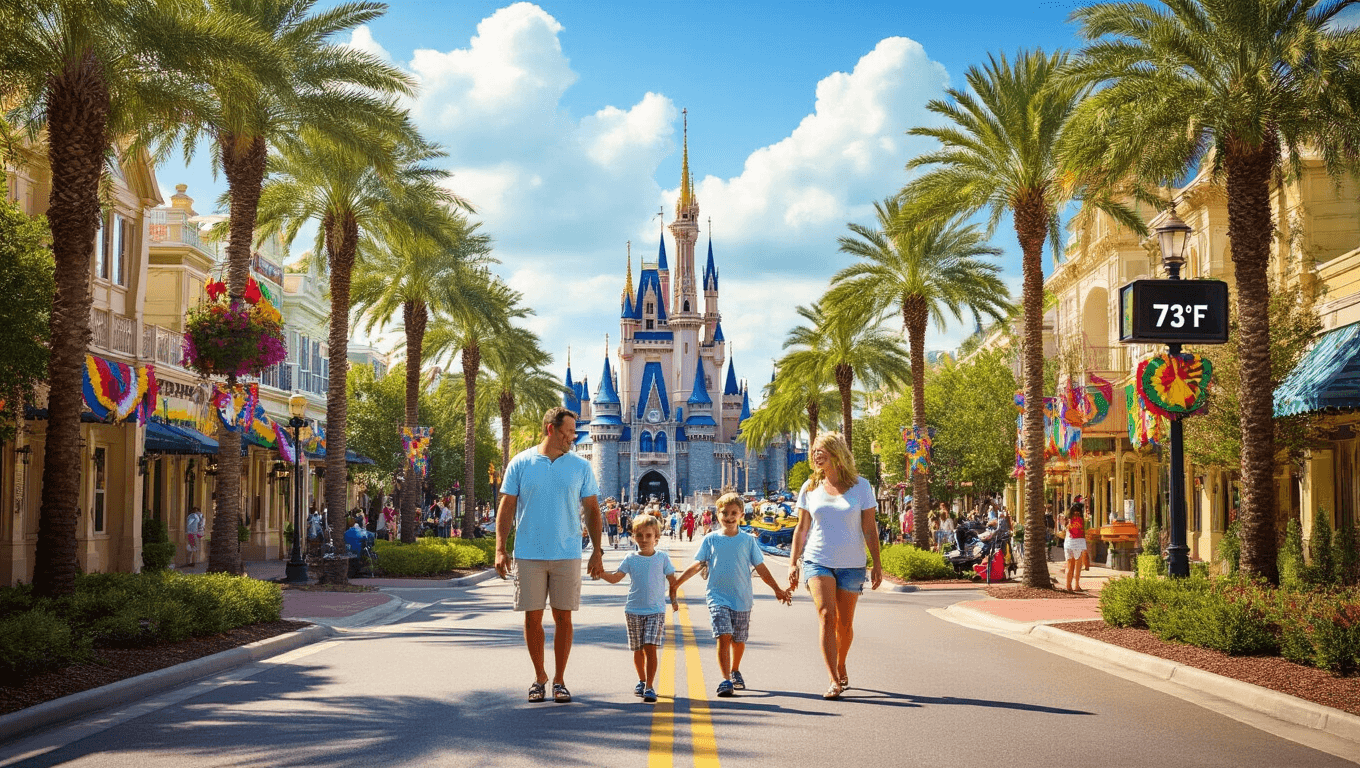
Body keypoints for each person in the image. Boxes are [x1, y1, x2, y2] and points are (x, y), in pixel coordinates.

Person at [495, 406, 604, 704]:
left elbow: (593, 510)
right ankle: (539, 676)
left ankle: (559, 680)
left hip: (567, 553)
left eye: (573, 432)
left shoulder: (580, 467)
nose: (573, 437)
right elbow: (506, 508)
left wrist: (597, 550)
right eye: (568, 431)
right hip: (529, 553)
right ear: (550, 429)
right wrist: (500, 548)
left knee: (563, 618)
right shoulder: (521, 463)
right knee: (532, 619)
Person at [788, 432, 883, 700]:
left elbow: (869, 528)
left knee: (845, 625)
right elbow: (801, 528)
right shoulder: (809, 487)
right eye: (815, 450)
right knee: (827, 616)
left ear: (837, 453)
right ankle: (833, 680)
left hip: (852, 564)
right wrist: (793, 562)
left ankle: (841, 663)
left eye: (823, 450)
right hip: (818, 559)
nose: (817, 454)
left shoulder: (862, 487)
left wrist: (877, 563)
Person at [672, 492, 791, 697]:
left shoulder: (747, 541)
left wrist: (777, 589)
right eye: (724, 513)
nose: (729, 517)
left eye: (733, 513)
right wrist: (676, 583)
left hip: (742, 598)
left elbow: (760, 568)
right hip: (717, 596)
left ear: (741, 515)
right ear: (717, 514)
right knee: (723, 636)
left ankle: (735, 669)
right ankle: (726, 679)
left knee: (738, 640)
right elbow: (698, 564)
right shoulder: (710, 540)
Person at [598, 514, 679, 703]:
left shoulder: (663, 558)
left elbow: (672, 581)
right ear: (633, 536)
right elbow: (616, 577)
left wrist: (673, 599)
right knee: (638, 650)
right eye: (639, 535)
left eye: (648, 536)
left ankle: (650, 686)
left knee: (650, 648)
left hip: (656, 611)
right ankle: (641, 680)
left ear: (656, 538)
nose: (644, 540)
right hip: (633, 610)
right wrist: (600, 573)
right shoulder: (630, 558)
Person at [1064, 501, 1087, 592]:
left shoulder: (1068, 520)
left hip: (1069, 543)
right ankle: (1076, 585)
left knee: (1069, 565)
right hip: (1079, 543)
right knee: (1078, 566)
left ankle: (1068, 586)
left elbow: (1066, 531)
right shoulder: (1081, 520)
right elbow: (1083, 531)